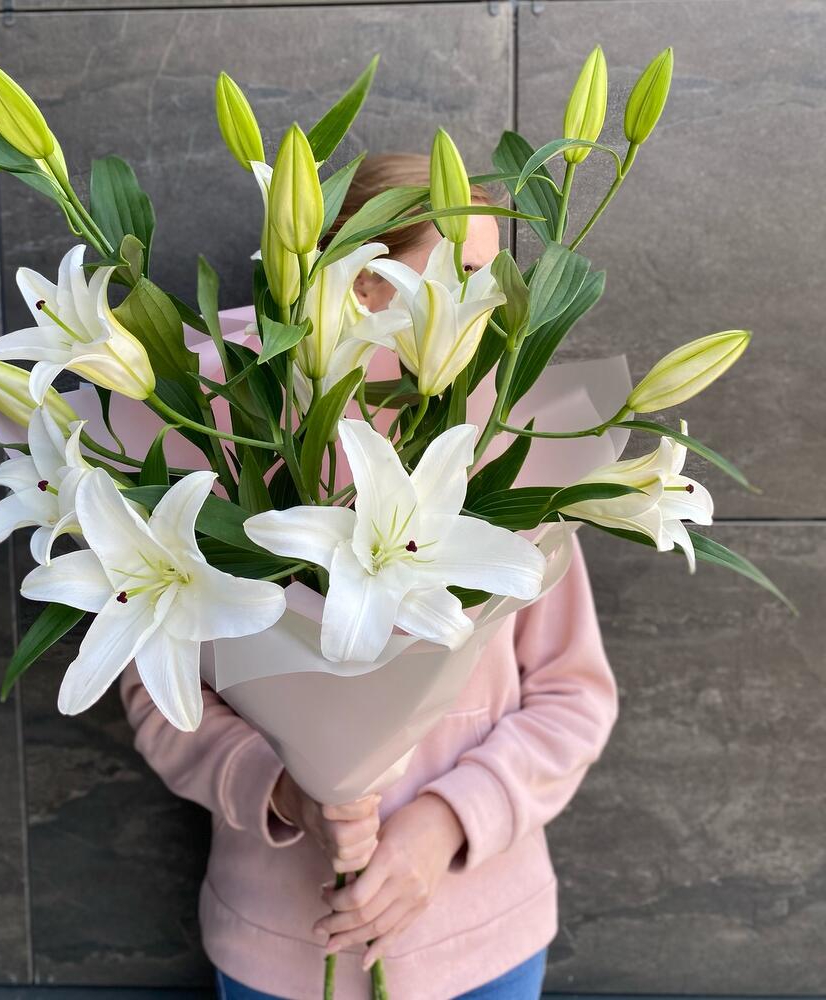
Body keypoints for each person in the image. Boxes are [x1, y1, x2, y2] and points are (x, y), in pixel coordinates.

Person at [119, 154, 619, 1000]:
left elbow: (574, 694)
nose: (493, 310)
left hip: (484, 941)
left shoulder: (511, 449)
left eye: (498, 280)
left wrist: (446, 823)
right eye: (461, 277)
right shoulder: (227, 451)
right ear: (360, 283)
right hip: (279, 946)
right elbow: (157, 696)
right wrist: (286, 793)